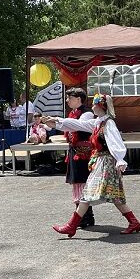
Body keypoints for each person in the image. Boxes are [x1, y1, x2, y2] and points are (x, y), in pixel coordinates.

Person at [43, 93, 140, 237]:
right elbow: (79, 125)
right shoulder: (98, 122)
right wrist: (57, 122)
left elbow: (116, 142)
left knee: (90, 193)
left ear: (100, 106)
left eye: (95, 104)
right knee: (113, 195)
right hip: (101, 162)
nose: (93, 106)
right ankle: (133, 222)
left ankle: (71, 226)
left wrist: (120, 159)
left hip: (107, 162)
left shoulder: (108, 123)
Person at [62, 88, 96, 228]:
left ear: (78, 99)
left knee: (82, 182)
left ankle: (85, 216)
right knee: (77, 183)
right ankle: (83, 215)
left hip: (83, 153)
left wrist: (58, 122)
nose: (67, 100)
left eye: (70, 97)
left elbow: (78, 126)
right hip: (75, 151)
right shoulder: (73, 113)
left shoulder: (86, 113)